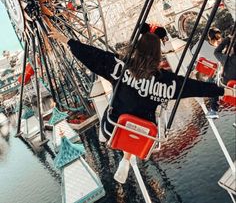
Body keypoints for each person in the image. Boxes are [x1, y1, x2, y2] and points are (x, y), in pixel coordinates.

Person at [49, 27, 234, 184]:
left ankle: (125, 159)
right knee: (142, 114)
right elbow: (196, 87)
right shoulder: (166, 82)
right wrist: (226, 91)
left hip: (112, 128)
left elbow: (92, 56)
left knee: (120, 103)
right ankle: (127, 159)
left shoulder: (120, 67)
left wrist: (68, 41)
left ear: (137, 49)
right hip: (144, 135)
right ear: (158, 55)